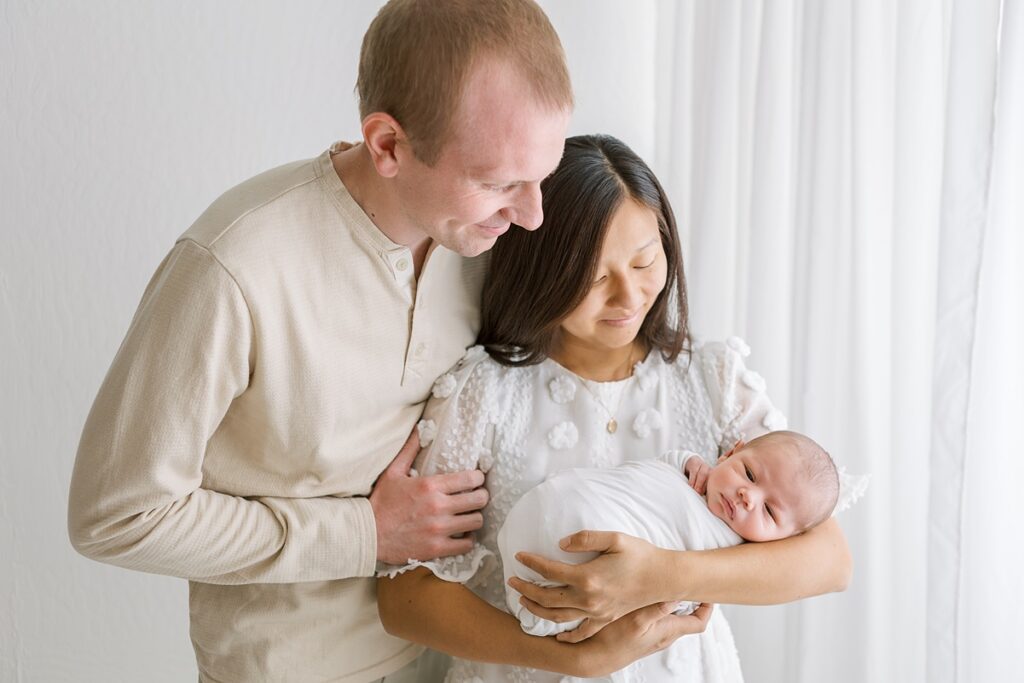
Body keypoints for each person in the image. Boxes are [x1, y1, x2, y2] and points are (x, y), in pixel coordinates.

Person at [67, 1, 575, 681]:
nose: (535, 214)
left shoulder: (486, 241)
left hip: (460, 661)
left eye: (542, 175)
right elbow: (117, 513)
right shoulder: (233, 267)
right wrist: (364, 534)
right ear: (388, 145)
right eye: (498, 183)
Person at [376, 134, 853, 682]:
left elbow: (830, 560)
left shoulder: (714, 381)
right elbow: (404, 594)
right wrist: (573, 658)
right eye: (596, 277)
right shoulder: (484, 394)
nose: (629, 297)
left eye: (646, 262)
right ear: (543, 272)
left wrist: (662, 575)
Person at [498, 430, 843, 638]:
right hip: (556, 502)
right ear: (732, 451)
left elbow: (670, 601)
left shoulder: (730, 552)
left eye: (769, 511)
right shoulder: (696, 476)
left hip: (570, 560)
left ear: (782, 540)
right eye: (749, 473)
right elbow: (667, 464)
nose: (747, 496)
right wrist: (691, 461)